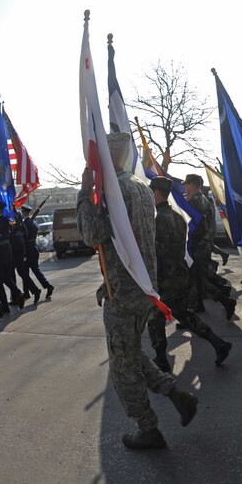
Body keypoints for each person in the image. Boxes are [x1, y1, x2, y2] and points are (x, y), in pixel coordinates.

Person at [76, 132, 198, 450]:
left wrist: (83, 193)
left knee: (122, 366)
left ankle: (148, 429)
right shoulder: (140, 187)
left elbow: (92, 233)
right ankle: (175, 394)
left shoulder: (114, 191)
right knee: (130, 353)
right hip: (143, 287)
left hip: (125, 293)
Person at [146, 176, 233, 372]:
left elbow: (158, 250)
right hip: (179, 274)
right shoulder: (178, 217)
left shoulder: (159, 220)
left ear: (157, 192)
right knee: (185, 316)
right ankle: (219, 344)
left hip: (165, 279)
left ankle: (161, 359)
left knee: (154, 320)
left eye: (152, 191)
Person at [183, 174, 236, 320]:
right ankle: (199, 305)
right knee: (199, 276)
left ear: (193, 185)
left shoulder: (195, 202)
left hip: (198, 244)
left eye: (186, 184)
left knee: (197, 277)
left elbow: (193, 225)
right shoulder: (203, 199)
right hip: (203, 243)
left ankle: (225, 301)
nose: (184, 187)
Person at [0, 200, 25, 311]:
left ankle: (10, 301)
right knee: (8, 276)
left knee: (0, 280)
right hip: (8, 251)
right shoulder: (8, 221)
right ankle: (16, 295)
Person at [21, 203, 54, 300]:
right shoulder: (33, 223)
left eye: (22, 212)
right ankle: (46, 286)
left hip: (28, 249)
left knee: (25, 272)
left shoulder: (25, 224)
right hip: (34, 247)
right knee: (34, 270)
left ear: (24, 212)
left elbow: (23, 237)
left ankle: (30, 291)